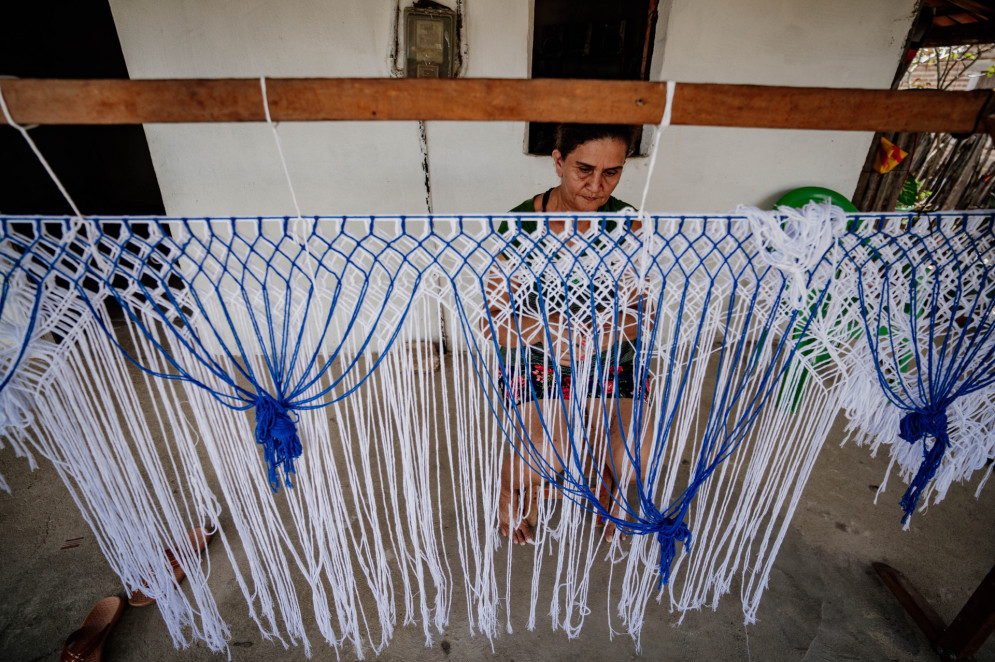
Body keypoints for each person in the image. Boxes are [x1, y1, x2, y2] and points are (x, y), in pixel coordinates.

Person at [487, 123, 653, 545]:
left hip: (611, 354)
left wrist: (606, 333)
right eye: (584, 169)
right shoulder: (519, 230)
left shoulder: (629, 227)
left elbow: (643, 317)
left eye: (611, 173)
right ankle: (509, 488)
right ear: (558, 161)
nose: (597, 186)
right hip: (538, 356)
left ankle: (603, 477)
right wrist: (550, 331)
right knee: (548, 448)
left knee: (637, 451)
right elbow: (495, 325)